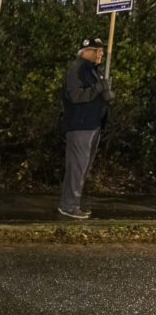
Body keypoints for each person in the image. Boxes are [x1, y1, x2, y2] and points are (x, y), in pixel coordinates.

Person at [59, 37, 114, 219]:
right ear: (84, 51)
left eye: (100, 50)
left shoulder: (92, 71)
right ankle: (69, 205)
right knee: (77, 167)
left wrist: (106, 95)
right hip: (80, 124)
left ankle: (71, 203)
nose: (99, 54)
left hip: (93, 124)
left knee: (83, 168)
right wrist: (97, 89)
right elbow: (75, 96)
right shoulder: (78, 68)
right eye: (95, 50)